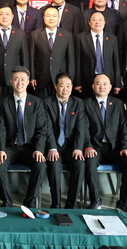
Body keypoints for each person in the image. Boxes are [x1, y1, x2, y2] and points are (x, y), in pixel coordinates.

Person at [0, 66, 48, 208]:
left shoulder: (37, 102)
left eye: (23, 79)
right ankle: (7, 202)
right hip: (10, 147)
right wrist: (0, 149)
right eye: (16, 79)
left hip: (30, 148)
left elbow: (41, 129)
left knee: (41, 164)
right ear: (11, 81)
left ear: (28, 82)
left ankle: (30, 201)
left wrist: (38, 149)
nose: (19, 82)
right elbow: (0, 128)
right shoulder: (3, 102)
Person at [82, 74, 127, 212]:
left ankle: (124, 202)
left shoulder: (118, 103)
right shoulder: (85, 103)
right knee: (89, 162)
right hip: (95, 147)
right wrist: (88, 146)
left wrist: (126, 147)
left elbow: (124, 128)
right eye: (98, 84)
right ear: (93, 86)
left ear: (110, 87)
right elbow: (84, 128)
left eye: (105, 84)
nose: (102, 87)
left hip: (116, 147)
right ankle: (95, 200)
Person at [43, 73, 86, 209]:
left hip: (70, 145)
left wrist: (78, 148)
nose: (65, 89)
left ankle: (71, 205)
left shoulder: (78, 103)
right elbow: (47, 127)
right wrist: (52, 147)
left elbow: (81, 128)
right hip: (53, 144)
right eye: (62, 85)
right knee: (54, 165)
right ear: (56, 86)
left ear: (72, 87)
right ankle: (56, 203)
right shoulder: (46, 102)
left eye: (68, 86)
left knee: (79, 164)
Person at [0, 4, 29, 99]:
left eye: (7, 14)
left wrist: (25, 77)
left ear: (12, 16)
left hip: (15, 78)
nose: (4, 17)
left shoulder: (20, 34)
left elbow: (24, 57)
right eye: (1, 14)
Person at [29, 6, 75, 99]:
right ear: (44, 17)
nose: (51, 18)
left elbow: (71, 60)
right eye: (48, 16)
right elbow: (31, 58)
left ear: (58, 18)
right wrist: (32, 76)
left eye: (54, 16)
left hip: (61, 79)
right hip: (40, 78)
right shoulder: (34, 35)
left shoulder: (67, 35)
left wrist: (70, 79)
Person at [76, 12, 122, 95]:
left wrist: (117, 83)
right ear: (89, 22)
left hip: (108, 79)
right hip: (87, 79)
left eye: (100, 20)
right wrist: (77, 82)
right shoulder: (80, 38)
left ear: (104, 22)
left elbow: (116, 62)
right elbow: (77, 61)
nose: (97, 22)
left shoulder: (112, 39)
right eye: (94, 20)